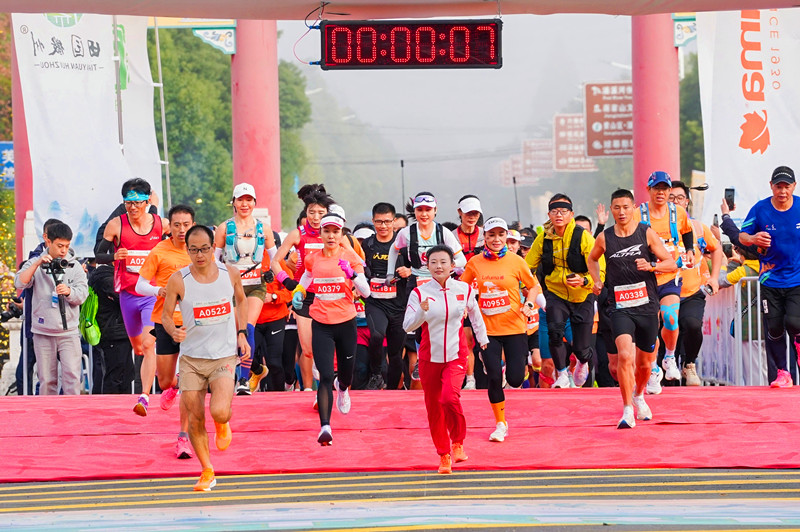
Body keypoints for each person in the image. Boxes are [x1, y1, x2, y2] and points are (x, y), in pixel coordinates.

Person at [161, 225, 250, 491]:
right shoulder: (178, 279)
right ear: (186, 250)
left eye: (205, 249)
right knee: (196, 417)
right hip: (190, 360)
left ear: (214, 248)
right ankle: (207, 471)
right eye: (194, 250)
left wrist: (242, 333)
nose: (199, 255)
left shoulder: (229, 274)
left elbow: (242, 301)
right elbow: (166, 315)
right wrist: (172, 330)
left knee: (219, 412)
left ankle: (223, 424)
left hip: (222, 356)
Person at [588, 189, 677, 428]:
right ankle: (627, 409)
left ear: (633, 207)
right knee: (625, 356)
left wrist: (651, 266)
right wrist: (597, 280)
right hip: (620, 307)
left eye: (626, 207)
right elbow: (592, 259)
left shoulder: (645, 232)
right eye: (616, 207)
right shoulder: (605, 238)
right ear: (611, 209)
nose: (621, 212)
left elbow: (671, 263)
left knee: (645, 363)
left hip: (647, 305)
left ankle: (639, 395)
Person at [404, 245, 488, 473]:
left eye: (443, 262)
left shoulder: (464, 289)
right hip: (429, 358)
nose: (438, 266)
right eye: (433, 262)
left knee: (449, 398)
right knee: (433, 407)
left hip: (456, 355)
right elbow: (407, 325)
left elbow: (476, 317)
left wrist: (483, 341)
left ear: (452, 266)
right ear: (427, 266)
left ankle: (458, 441)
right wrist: (421, 312)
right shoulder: (419, 292)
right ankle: (444, 455)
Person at [291, 212, 371, 445]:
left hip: (346, 322)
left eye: (336, 232)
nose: (331, 236)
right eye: (327, 231)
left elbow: (366, 293)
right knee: (325, 375)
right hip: (321, 324)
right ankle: (325, 427)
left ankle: (343, 388)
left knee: (345, 374)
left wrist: (353, 275)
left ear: (341, 233)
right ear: (321, 233)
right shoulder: (313, 258)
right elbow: (306, 278)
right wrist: (299, 292)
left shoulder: (350, 256)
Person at [461, 217, 540, 442]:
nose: (496, 239)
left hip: (515, 327)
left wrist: (529, 304)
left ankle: (506, 370)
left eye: (500, 235)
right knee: (494, 377)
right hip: (487, 331)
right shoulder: (475, 262)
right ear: (484, 238)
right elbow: (463, 287)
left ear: (506, 237)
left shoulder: (516, 261)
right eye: (491, 235)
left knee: (515, 379)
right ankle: (500, 423)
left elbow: (533, 286)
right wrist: (464, 307)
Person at [95, 178, 169, 415]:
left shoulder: (161, 225)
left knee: (149, 345)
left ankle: (145, 397)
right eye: (128, 203)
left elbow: (175, 244)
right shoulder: (116, 225)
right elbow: (98, 255)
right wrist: (115, 257)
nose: (133, 208)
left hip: (151, 294)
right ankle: (170, 376)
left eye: (137, 203)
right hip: (127, 294)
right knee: (138, 348)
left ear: (146, 202)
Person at [525, 194, 603, 389]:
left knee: (581, 348)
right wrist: (532, 286)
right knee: (555, 332)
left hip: (583, 294)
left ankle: (582, 363)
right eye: (554, 211)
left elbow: (599, 266)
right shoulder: (543, 238)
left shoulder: (582, 236)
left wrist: (585, 280)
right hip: (555, 293)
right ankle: (561, 373)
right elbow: (526, 268)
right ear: (549, 214)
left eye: (563, 211)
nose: (559, 215)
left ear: (571, 214)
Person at [137, 204, 195, 458]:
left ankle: (183, 438)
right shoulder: (159, 251)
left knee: (192, 385)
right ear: (169, 226)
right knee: (165, 380)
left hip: (195, 323)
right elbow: (140, 285)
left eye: (187, 224)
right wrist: (158, 291)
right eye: (177, 225)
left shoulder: (201, 251)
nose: (182, 230)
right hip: (165, 321)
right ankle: (172, 386)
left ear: (193, 224)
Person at [634, 171, 695, 394]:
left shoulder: (677, 212)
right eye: (656, 188)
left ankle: (670, 357)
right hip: (646, 277)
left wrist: (688, 250)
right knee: (650, 328)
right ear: (648, 189)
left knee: (670, 318)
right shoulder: (637, 214)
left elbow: (687, 232)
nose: (661, 193)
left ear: (669, 191)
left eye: (665, 189)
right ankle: (653, 369)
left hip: (670, 274)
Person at [739, 166, 800, 388]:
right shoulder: (761, 209)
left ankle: (798, 351)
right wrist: (753, 237)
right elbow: (742, 236)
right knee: (774, 328)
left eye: (787, 186)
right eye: (778, 186)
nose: (782, 191)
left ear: (794, 186)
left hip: (797, 279)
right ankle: (784, 373)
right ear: (771, 186)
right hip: (769, 279)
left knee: (794, 322)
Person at [214, 183, 278, 395]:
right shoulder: (224, 228)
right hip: (232, 285)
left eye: (249, 200)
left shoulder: (264, 229)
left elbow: (276, 258)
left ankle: (242, 380)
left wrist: (274, 275)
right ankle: (256, 369)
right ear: (233, 202)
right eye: (240, 199)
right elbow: (214, 261)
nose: (245, 204)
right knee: (234, 333)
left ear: (254, 203)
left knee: (247, 328)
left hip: (255, 285)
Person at [271, 184, 334, 393]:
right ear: (305, 212)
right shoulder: (297, 234)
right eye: (312, 212)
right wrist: (288, 283)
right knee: (307, 350)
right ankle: (319, 377)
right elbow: (275, 262)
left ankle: (325, 384)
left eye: (321, 213)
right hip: (304, 296)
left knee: (323, 348)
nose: (316, 217)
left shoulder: (334, 234)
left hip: (329, 296)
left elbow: (353, 261)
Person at [14, 222, 88, 395]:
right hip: (43, 331)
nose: (63, 250)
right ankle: (48, 419)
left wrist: (69, 292)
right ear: (48, 242)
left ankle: (72, 417)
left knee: (72, 378)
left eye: (67, 246)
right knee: (47, 381)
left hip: (69, 332)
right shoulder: (36, 262)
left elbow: (83, 294)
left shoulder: (74, 265)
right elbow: (20, 282)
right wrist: (37, 264)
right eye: (60, 245)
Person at [669, 181, 722, 386]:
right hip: (663, 292)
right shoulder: (654, 228)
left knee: (692, 325)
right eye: (670, 198)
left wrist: (714, 277)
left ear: (687, 202)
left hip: (691, 292)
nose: (675, 202)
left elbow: (716, 249)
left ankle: (690, 364)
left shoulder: (698, 228)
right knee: (666, 336)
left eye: (679, 198)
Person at [361, 202, 410, 391]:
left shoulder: (403, 245)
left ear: (394, 222)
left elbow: (419, 268)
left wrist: (408, 271)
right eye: (379, 222)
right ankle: (375, 375)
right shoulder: (369, 244)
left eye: (387, 222)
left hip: (399, 306)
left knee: (396, 353)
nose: (383, 226)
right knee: (376, 335)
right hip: (376, 302)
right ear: (373, 222)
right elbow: (360, 267)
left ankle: (392, 390)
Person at [88, 263, 134, 394]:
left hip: (123, 331)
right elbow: (125, 299)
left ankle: (125, 409)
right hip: (113, 332)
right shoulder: (105, 277)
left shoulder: (114, 274)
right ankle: (112, 410)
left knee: (126, 375)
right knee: (115, 375)